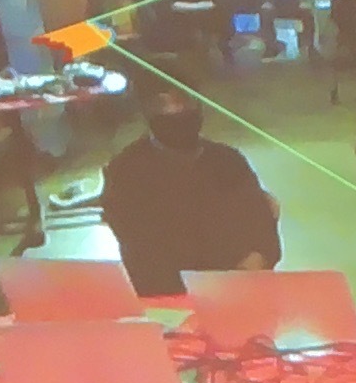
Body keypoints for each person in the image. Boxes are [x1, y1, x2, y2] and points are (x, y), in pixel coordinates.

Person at [97, 92, 281, 298]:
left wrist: (251, 266)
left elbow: (262, 228)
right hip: (168, 298)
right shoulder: (126, 171)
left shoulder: (229, 160)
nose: (178, 112)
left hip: (238, 291)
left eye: (185, 103)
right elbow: (142, 253)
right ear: (148, 113)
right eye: (165, 105)